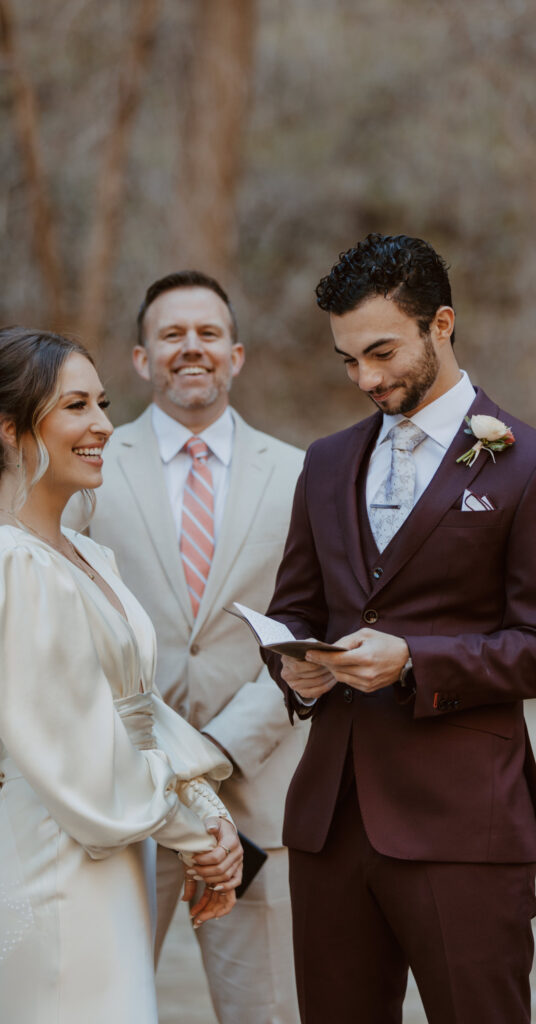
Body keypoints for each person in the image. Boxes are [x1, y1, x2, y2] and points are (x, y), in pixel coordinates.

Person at [263, 233, 536, 1024]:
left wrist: (415, 660)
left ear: (441, 324)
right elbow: (294, 611)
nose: (365, 379)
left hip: (463, 826)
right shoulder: (326, 462)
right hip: (329, 825)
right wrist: (293, 667)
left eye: (380, 353)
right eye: (347, 361)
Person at [66, 271, 306, 1024]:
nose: (190, 348)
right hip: (118, 794)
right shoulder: (88, 468)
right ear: (141, 359)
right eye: (171, 334)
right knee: (98, 1007)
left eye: (207, 334)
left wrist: (217, 750)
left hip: (255, 794)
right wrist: (153, 760)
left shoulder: (300, 475)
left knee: (263, 1012)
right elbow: (68, 624)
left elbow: (305, 633)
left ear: (236, 356)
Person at [0, 326, 244, 1024]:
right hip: (54, 844)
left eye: (102, 404)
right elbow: (71, 740)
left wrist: (209, 813)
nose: (103, 425)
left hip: (117, 841)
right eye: (76, 406)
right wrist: (194, 840)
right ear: (11, 426)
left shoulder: (84, 553)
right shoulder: (12, 563)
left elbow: (139, 707)